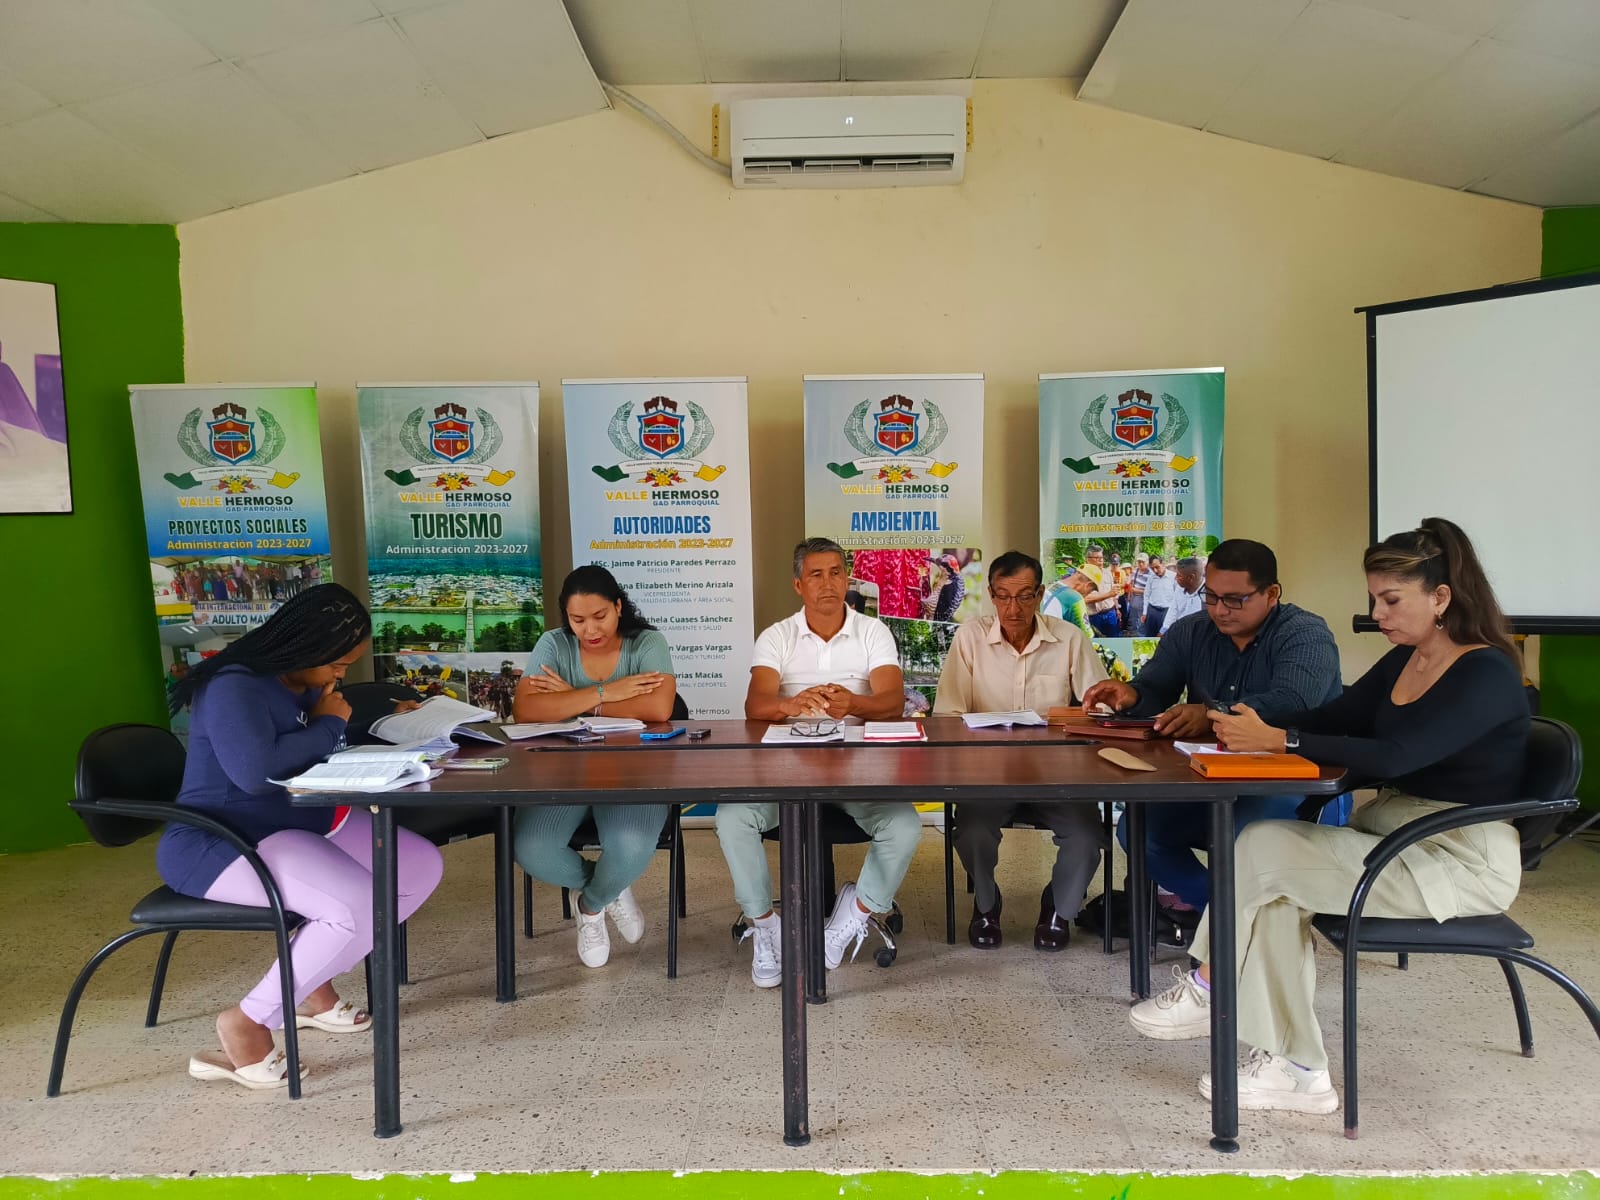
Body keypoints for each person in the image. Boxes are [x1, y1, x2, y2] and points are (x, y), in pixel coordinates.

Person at [1130, 518, 1530, 1114]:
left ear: (1441, 598)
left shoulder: (1486, 670)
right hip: (1394, 837)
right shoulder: (1405, 660)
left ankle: (1214, 985)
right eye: (1374, 599)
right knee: (1269, 878)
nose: (1377, 614)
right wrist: (1261, 728)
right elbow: (1335, 716)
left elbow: (1398, 754)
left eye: (1391, 600)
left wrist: (1281, 741)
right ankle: (1297, 1070)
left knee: (1263, 849)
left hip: (1456, 856)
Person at [158, 583, 445, 1090]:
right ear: (304, 647)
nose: (340, 676)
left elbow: (314, 739)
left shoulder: (297, 681)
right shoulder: (232, 684)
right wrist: (329, 724)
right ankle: (248, 1022)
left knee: (419, 869)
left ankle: (310, 988)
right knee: (357, 905)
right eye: (337, 665)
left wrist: (392, 727)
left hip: (296, 820)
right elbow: (256, 772)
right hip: (226, 839)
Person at [1082, 539, 1344, 915]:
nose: (1220, 610)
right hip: (1215, 778)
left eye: (1235, 599)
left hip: (1296, 779)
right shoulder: (1191, 631)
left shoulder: (1305, 633)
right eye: (1212, 596)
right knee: (1138, 831)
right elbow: (1156, 688)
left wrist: (1210, 713)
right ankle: (1229, 915)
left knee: (1245, 838)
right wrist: (1131, 695)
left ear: (1271, 594)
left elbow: (1293, 702)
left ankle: (1239, 919)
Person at [719, 537, 921, 987]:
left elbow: (891, 702)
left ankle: (854, 913)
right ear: (798, 584)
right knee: (732, 818)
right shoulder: (777, 635)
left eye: (836, 573)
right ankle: (765, 926)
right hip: (786, 772)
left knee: (905, 825)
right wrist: (790, 704)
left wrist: (855, 703)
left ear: (847, 580)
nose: (828, 583)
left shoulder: (873, 632)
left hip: (859, 771)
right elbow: (755, 705)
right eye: (816, 574)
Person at [933, 550, 1108, 950]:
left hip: (1057, 771)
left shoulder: (1068, 639)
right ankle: (986, 904)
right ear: (991, 595)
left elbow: (1099, 711)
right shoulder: (970, 638)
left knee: (1087, 835)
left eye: (1025, 596)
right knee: (971, 830)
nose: (1013, 609)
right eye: (1003, 596)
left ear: (1040, 594)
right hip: (988, 771)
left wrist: (1075, 716)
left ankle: (1058, 908)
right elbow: (948, 715)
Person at [511, 565, 676, 968]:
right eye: (577, 620)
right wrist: (606, 691)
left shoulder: (647, 643)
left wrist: (576, 699)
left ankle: (590, 905)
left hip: (634, 774)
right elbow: (526, 710)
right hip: (563, 774)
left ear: (618, 607)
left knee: (630, 847)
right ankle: (611, 887)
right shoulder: (553, 644)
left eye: (600, 616)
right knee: (532, 848)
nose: (590, 630)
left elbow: (658, 707)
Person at [1079, 545, 1122, 637]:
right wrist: (1109, 594)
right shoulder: (1082, 576)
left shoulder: (1107, 573)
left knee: (1114, 640)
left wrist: (1117, 609)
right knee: (1095, 642)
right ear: (1088, 559)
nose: (1101, 560)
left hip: (1110, 613)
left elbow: (1113, 593)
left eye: (1102, 557)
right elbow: (1086, 599)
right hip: (1093, 616)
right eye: (1097, 558)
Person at [1038, 568, 1096, 636]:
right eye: (1090, 591)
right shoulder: (1075, 598)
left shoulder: (1051, 585)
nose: (1088, 595)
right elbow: (1088, 635)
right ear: (1088, 585)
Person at [1159, 556, 1204, 633]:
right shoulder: (1179, 588)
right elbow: (1173, 610)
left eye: (1179, 575)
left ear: (1191, 577)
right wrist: (1163, 631)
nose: (1175, 578)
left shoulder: (1209, 594)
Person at [1141, 554, 1176, 635]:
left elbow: (1177, 597)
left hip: (1167, 612)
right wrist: (1145, 612)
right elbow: (1146, 595)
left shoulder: (1173, 577)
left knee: (1165, 636)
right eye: (1152, 568)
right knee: (1150, 636)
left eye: (1157, 567)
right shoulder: (1151, 578)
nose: (1155, 571)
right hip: (1152, 611)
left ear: (1163, 564)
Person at [1127, 553, 1152, 633]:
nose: (1140, 564)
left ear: (1147, 562)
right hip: (1134, 598)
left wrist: (1137, 590)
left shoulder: (1151, 574)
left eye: (1142, 562)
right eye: (1139, 562)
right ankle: (1133, 632)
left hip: (1143, 599)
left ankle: (1141, 635)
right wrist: (1129, 596)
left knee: (1142, 619)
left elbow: (1151, 591)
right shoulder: (1135, 571)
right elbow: (1131, 583)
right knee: (1133, 617)